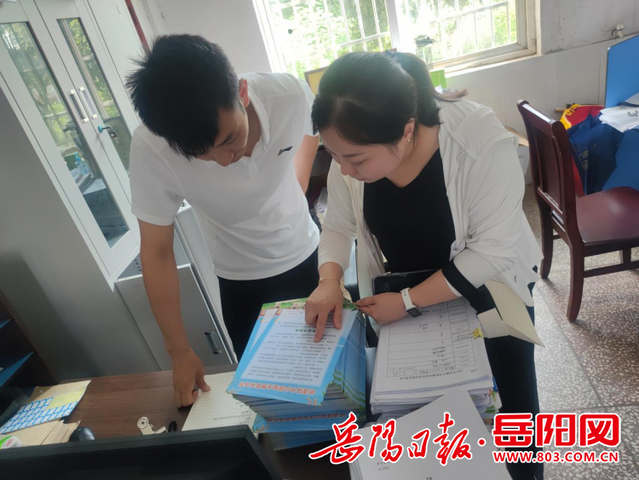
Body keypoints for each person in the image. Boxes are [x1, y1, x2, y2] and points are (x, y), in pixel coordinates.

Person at [304, 51, 543, 480]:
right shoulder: (350, 151)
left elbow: (491, 251)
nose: (343, 170)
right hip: (410, 305)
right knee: (435, 424)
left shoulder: (479, 140)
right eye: (333, 154)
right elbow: (337, 224)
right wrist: (328, 279)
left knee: (516, 420)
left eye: (355, 159)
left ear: (406, 131)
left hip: (491, 292)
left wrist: (408, 301)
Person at [127, 35, 320, 407]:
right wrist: (179, 350)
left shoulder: (290, 96)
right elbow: (156, 251)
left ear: (242, 92)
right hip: (241, 282)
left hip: (308, 255)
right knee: (271, 399)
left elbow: (310, 135)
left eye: (229, 138)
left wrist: (295, 190)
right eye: (203, 155)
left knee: (336, 377)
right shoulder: (152, 149)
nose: (225, 160)